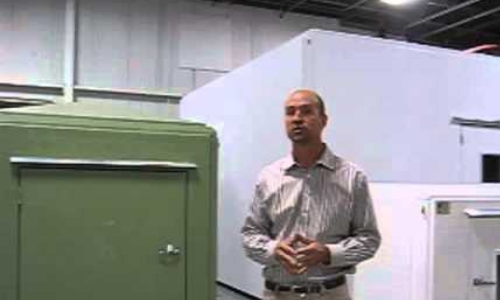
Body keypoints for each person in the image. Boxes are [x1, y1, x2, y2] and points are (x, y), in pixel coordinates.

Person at [241, 89, 381, 300]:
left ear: (323, 120)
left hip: (330, 294)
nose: (297, 118)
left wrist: (327, 253)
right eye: (290, 112)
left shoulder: (352, 177)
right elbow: (250, 235)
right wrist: (273, 250)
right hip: (277, 294)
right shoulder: (268, 176)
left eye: (306, 111)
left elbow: (369, 239)